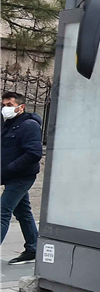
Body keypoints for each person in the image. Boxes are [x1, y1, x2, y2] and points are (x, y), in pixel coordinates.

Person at [0, 91, 43, 265]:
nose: (5, 108)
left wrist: (9, 169)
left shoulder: (29, 125)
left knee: (2, 212)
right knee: (23, 212)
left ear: (21, 107)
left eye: (9, 105)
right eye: (3, 105)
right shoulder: (9, 124)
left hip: (21, 177)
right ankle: (33, 248)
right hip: (10, 176)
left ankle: (33, 248)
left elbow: (34, 154)